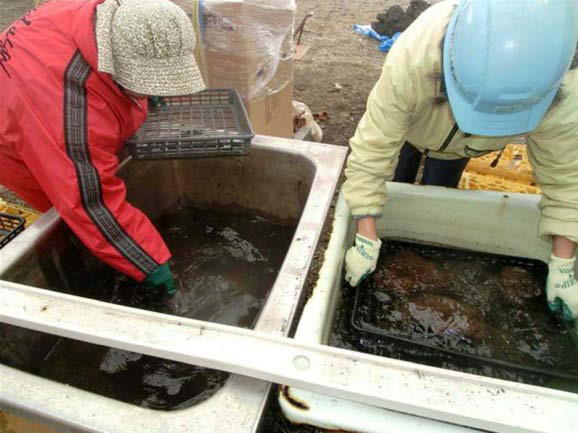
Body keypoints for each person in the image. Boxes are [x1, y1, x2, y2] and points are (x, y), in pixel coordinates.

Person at [342, 0, 578, 320]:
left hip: (464, 150)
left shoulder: (566, 87)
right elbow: (373, 150)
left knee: (439, 195)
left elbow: (567, 176)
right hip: (413, 128)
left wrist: (563, 266)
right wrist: (367, 233)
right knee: (394, 182)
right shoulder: (415, 56)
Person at [0, 0, 206, 294]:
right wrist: (151, 264)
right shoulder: (68, 116)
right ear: (116, 67)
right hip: (16, 131)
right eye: (149, 83)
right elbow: (88, 202)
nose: (155, 90)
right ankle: (71, 282)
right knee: (65, 221)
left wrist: (148, 94)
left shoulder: (106, 16)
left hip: (36, 77)